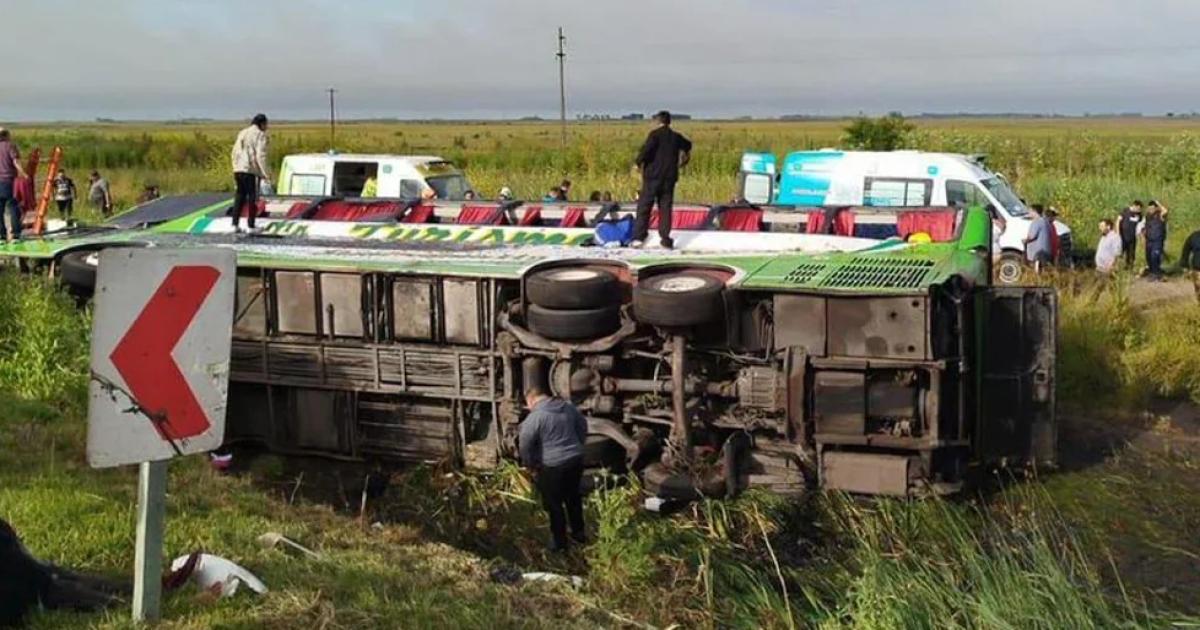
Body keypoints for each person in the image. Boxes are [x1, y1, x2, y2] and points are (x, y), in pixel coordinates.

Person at [518, 386, 587, 552]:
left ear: (531, 400)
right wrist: (577, 445)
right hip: (575, 460)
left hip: (553, 465)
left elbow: (525, 444)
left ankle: (559, 542)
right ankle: (579, 533)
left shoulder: (536, 417)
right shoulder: (568, 408)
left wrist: (530, 464)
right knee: (573, 497)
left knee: (554, 504)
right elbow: (583, 426)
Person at [633, 110, 692, 249]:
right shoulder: (676, 137)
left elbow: (646, 151)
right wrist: (685, 156)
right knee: (665, 208)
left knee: (644, 206)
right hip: (669, 178)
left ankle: (640, 236)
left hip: (653, 177)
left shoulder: (654, 135)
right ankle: (665, 238)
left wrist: (637, 163)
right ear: (669, 122)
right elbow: (688, 145)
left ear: (658, 121)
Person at [229, 113, 272, 232]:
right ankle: (251, 225)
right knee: (252, 197)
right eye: (266, 124)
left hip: (238, 168)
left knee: (239, 196)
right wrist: (265, 174)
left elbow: (234, 152)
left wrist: (235, 167)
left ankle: (235, 224)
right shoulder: (260, 135)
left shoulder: (242, 132)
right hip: (249, 170)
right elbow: (260, 155)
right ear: (262, 124)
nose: (267, 127)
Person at [0, 128, 27, 242]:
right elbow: (15, 161)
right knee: (13, 207)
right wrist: (24, 173)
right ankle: (16, 235)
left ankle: (1, 236)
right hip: (8, 180)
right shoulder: (10, 146)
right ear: (6, 135)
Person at [1022, 203, 1053, 269]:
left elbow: (1032, 237)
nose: (1029, 212)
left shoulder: (1037, 222)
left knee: (1038, 272)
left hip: (1038, 253)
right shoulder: (1046, 221)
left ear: (1035, 212)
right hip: (1046, 251)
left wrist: (1025, 241)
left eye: (1030, 211)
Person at [1143, 200, 1168, 281]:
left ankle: (1155, 274)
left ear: (1156, 209)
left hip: (1157, 240)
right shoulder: (1147, 216)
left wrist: (1158, 203)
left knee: (1155, 256)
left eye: (1152, 208)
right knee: (1148, 257)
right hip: (1149, 240)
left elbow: (1165, 211)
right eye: (1149, 208)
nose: (1151, 210)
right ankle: (1153, 271)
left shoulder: (1160, 215)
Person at [1118, 200, 1144, 270]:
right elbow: (1118, 221)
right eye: (1138, 209)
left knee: (1131, 255)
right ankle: (1116, 268)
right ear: (1134, 206)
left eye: (1140, 209)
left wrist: (1141, 237)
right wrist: (1118, 233)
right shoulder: (1125, 211)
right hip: (1123, 236)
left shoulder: (1139, 215)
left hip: (1132, 238)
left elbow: (1140, 227)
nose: (1139, 211)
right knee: (1119, 253)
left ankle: (1129, 269)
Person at [1180, 228, 1200, 303]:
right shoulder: (1194, 236)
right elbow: (1186, 250)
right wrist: (1184, 265)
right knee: (1198, 288)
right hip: (1197, 268)